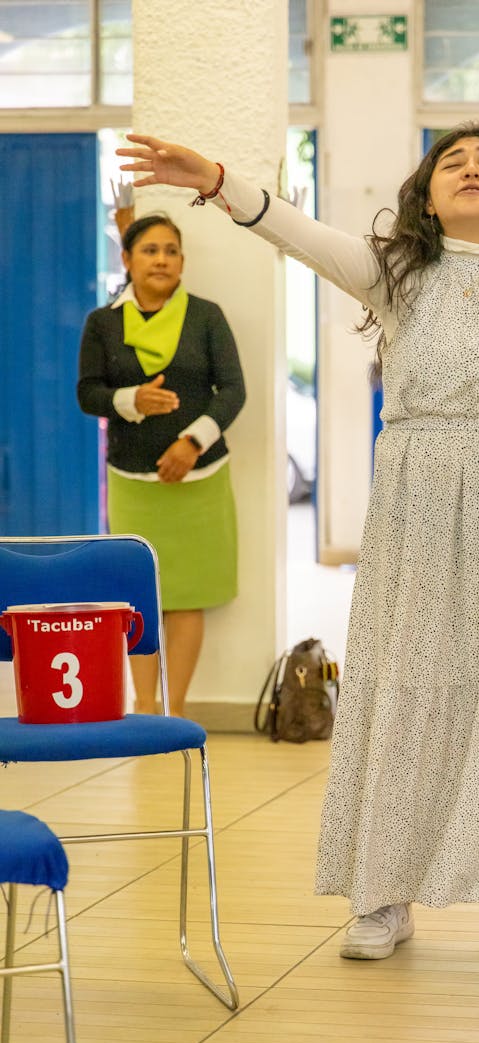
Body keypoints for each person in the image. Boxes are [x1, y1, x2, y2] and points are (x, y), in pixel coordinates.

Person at [118, 124, 479, 965]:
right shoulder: (398, 273)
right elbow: (295, 231)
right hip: (416, 497)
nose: (471, 168)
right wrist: (214, 178)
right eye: (452, 161)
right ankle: (383, 893)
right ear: (427, 196)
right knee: (403, 682)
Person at [78, 214, 246, 718]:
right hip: (132, 480)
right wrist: (131, 399)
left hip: (199, 478)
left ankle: (175, 711)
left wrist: (192, 442)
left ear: (182, 262)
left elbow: (233, 390)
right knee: (138, 596)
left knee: (188, 594)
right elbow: (88, 394)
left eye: (171, 251)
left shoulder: (206, 316)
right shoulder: (103, 323)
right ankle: (145, 709)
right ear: (127, 259)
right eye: (150, 250)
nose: (162, 260)